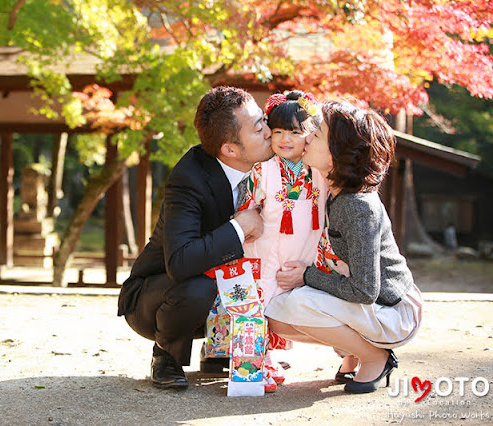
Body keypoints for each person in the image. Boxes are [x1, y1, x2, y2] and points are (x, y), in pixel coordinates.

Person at [117, 86, 274, 390]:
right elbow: (181, 262)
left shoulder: (273, 165)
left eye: (264, 120)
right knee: (198, 285)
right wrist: (240, 226)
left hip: (229, 286)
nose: (269, 131)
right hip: (159, 295)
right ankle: (166, 354)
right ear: (230, 149)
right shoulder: (189, 177)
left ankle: (221, 347)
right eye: (259, 128)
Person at [265, 100, 423, 394]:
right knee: (277, 317)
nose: (307, 136)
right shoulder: (333, 189)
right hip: (370, 306)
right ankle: (353, 351)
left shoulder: (357, 206)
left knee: (296, 304)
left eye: (318, 132)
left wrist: (306, 276)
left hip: (393, 309)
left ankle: (376, 356)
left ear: (339, 152)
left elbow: (365, 290)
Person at [238, 90, 329, 388]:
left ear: (310, 135)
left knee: (286, 302)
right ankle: (257, 361)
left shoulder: (319, 173)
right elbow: (245, 209)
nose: (285, 139)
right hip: (263, 250)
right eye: (277, 131)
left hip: (300, 253)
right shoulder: (261, 171)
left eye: (294, 132)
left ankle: (272, 355)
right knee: (261, 302)